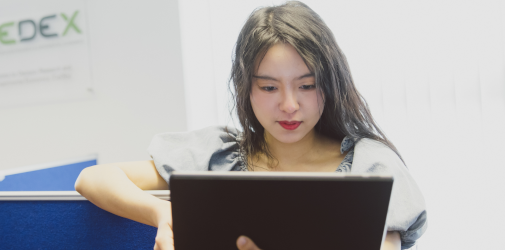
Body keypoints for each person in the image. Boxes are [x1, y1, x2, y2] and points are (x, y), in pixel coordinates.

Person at [74, 1, 427, 249]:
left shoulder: (370, 166)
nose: (289, 105)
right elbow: (93, 178)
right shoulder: (217, 155)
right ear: (246, 90)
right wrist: (162, 212)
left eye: (306, 86)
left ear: (331, 85)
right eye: (269, 88)